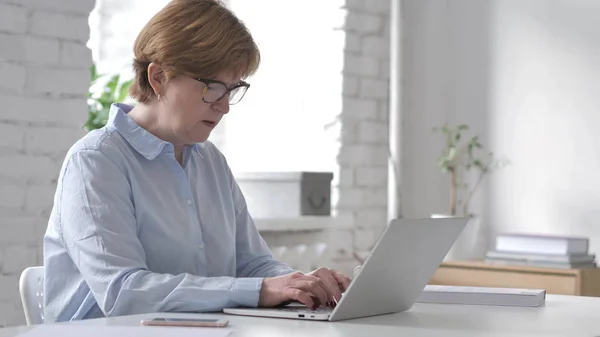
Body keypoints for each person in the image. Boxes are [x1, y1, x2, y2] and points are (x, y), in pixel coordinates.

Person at [43, 0, 351, 323]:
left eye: (232, 90)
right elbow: (124, 293)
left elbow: (254, 265)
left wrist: (300, 284)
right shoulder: (95, 162)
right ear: (158, 77)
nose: (225, 107)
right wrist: (258, 290)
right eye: (213, 88)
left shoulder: (211, 162)